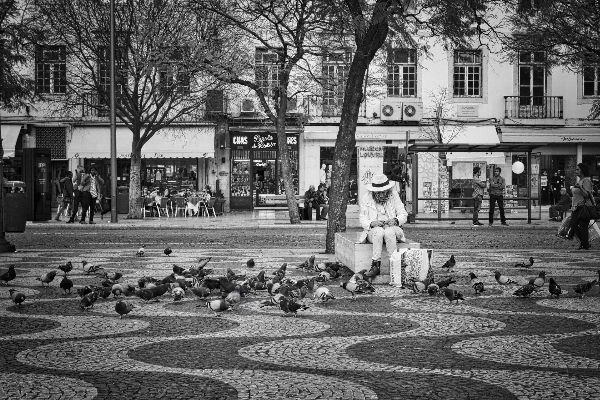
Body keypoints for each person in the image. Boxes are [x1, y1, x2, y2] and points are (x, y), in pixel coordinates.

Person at [359, 173, 408, 271]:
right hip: (375, 232)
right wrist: (372, 223)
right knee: (379, 232)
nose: (381, 194)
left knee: (388, 232)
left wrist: (396, 220)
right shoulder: (366, 197)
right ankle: (375, 264)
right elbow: (362, 220)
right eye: (378, 192)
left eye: (383, 191)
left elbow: (403, 214)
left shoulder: (394, 195)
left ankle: (394, 264)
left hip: (393, 230)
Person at [567, 163, 594, 250]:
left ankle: (585, 245)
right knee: (573, 225)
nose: (576, 171)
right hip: (576, 207)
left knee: (583, 226)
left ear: (582, 170)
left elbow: (587, 194)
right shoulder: (579, 181)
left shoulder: (586, 180)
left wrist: (580, 188)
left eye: (577, 169)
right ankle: (584, 243)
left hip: (583, 207)